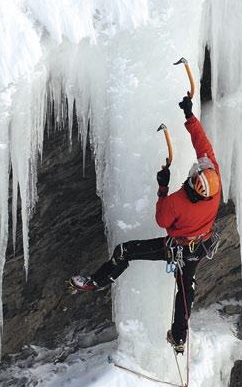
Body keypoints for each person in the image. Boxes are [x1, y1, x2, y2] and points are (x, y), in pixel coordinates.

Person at [69, 95, 222, 353]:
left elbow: (162, 220)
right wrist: (190, 117)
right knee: (185, 292)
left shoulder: (178, 201)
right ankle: (179, 337)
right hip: (198, 247)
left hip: (176, 246)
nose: (196, 169)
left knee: (125, 252)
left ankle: (97, 281)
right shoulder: (213, 187)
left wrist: (162, 186)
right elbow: (203, 145)